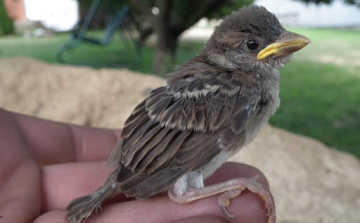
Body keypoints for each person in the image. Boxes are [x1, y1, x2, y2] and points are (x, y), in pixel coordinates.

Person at [0, 108, 272, 223]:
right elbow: (180, 173)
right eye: (251, 45)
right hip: (159, 159)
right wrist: (239, 183)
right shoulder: (237, 92)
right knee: (183, 190)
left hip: (146, 150)